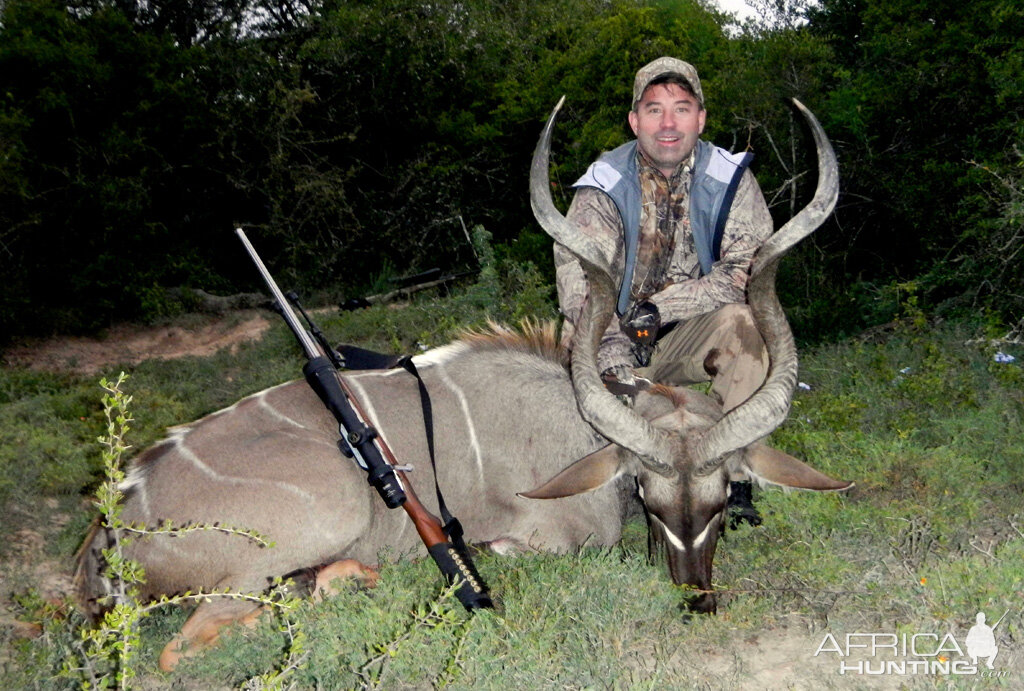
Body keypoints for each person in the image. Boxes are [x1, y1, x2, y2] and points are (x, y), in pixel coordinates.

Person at [553, 57, 773, 525]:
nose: (668, 123)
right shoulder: (604, 184)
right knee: (566, 368)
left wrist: (660, 307)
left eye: (682, 108)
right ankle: (623, 478)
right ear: (635, 121)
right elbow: (580, 279)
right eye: (654, 110)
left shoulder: (730, 179)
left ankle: (729, 478)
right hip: (612, 336)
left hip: (683, 334)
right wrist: (611, 350)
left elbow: (744, 272)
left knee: (746, 327)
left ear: (701, 118)